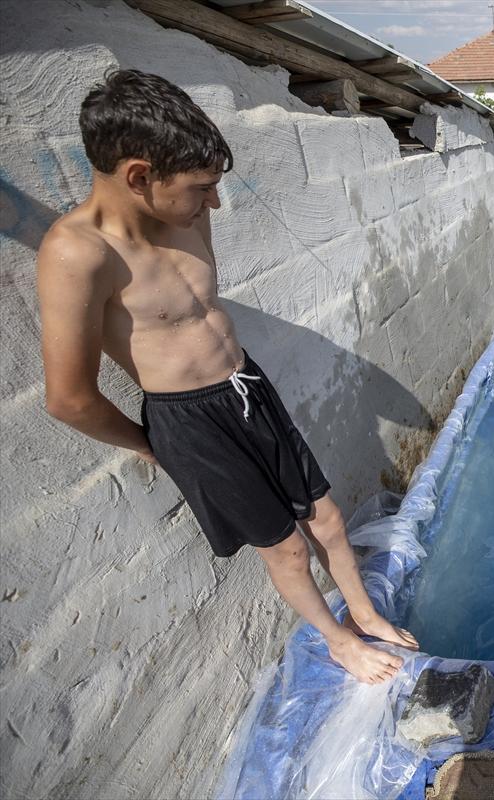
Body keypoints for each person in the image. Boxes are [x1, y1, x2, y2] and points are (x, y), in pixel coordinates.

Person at [36, 70, 416, 685]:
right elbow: (69, 398)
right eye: (202, 188)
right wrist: (153, 446)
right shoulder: (79, 253)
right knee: (285, 548)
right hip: (189, 420)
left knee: (327, 519)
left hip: (248, 385)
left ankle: (366, 613)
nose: (214, 203)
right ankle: (339, 641)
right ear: (138, 176)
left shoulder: (186, 217)